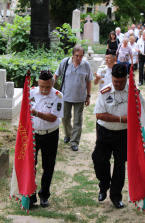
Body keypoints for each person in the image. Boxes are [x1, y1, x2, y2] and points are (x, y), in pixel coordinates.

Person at [92, 63, 145, 209]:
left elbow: (141, 115)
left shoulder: (134, 92)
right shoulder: (105, 92)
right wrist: (121, 118)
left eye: (121, 82)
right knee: (99, 161)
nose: (118, 84)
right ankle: (104, 185)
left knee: (119, 165)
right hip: (105, 132)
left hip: (124, 134)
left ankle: (116, 196)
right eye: (116, 81)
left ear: (126, 79)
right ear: (112, 78)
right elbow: (99, 115)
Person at [29, 70, 64, 208]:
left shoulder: (57, 96)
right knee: (31, 165)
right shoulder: (31, 92)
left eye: (47, 87)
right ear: (38, 83)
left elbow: (53, 117)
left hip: (50, 134)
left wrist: (36, 113)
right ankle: (30, 195)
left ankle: (44, 195)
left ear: (52, 84)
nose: (44, 90)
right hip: (33, 134)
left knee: (48, 166)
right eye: (41, 86)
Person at [53, 46, 93, 151]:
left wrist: (88, 96)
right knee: (65, 118)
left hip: (80, 98)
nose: (78, 58)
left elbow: (89, 81)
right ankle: (68, 134)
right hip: (65, 96)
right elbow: (56, 75)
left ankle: (74, 142)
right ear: (72, 54)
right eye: (76, 55)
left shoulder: (86, 65)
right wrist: (50, 89)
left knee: (77, 121)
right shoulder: (65, 62)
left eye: (81, 56)